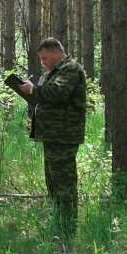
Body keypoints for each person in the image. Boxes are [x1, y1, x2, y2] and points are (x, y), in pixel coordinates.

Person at [19, 38, 87, 237]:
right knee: (53, 182)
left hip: (64, 135)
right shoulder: (55, 72)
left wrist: (32, 89)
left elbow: (58, 93)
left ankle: (67, 228)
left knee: (64, 182)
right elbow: (47, 96)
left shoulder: (70, 69)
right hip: (53, 135)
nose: (43, 62)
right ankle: (59, 222)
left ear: (57, 53)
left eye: (44, 58)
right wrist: (32, 91)